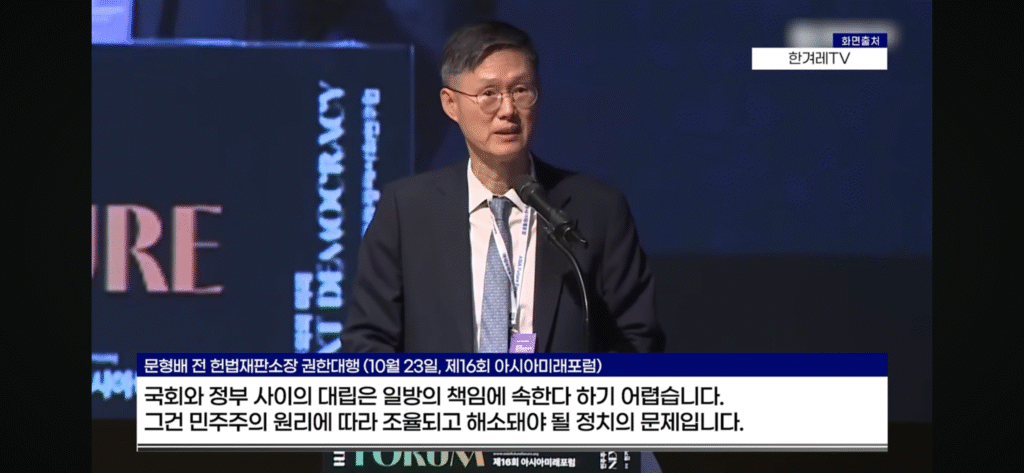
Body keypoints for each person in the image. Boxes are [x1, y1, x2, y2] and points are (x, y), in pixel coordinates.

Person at [341, 20, 663, 353]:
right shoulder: (406, 211)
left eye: (521, 90)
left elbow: (638, 339)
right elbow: (367, 342)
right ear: (451, 104)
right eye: (489, 94)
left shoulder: (597, 210)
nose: (508, 110)